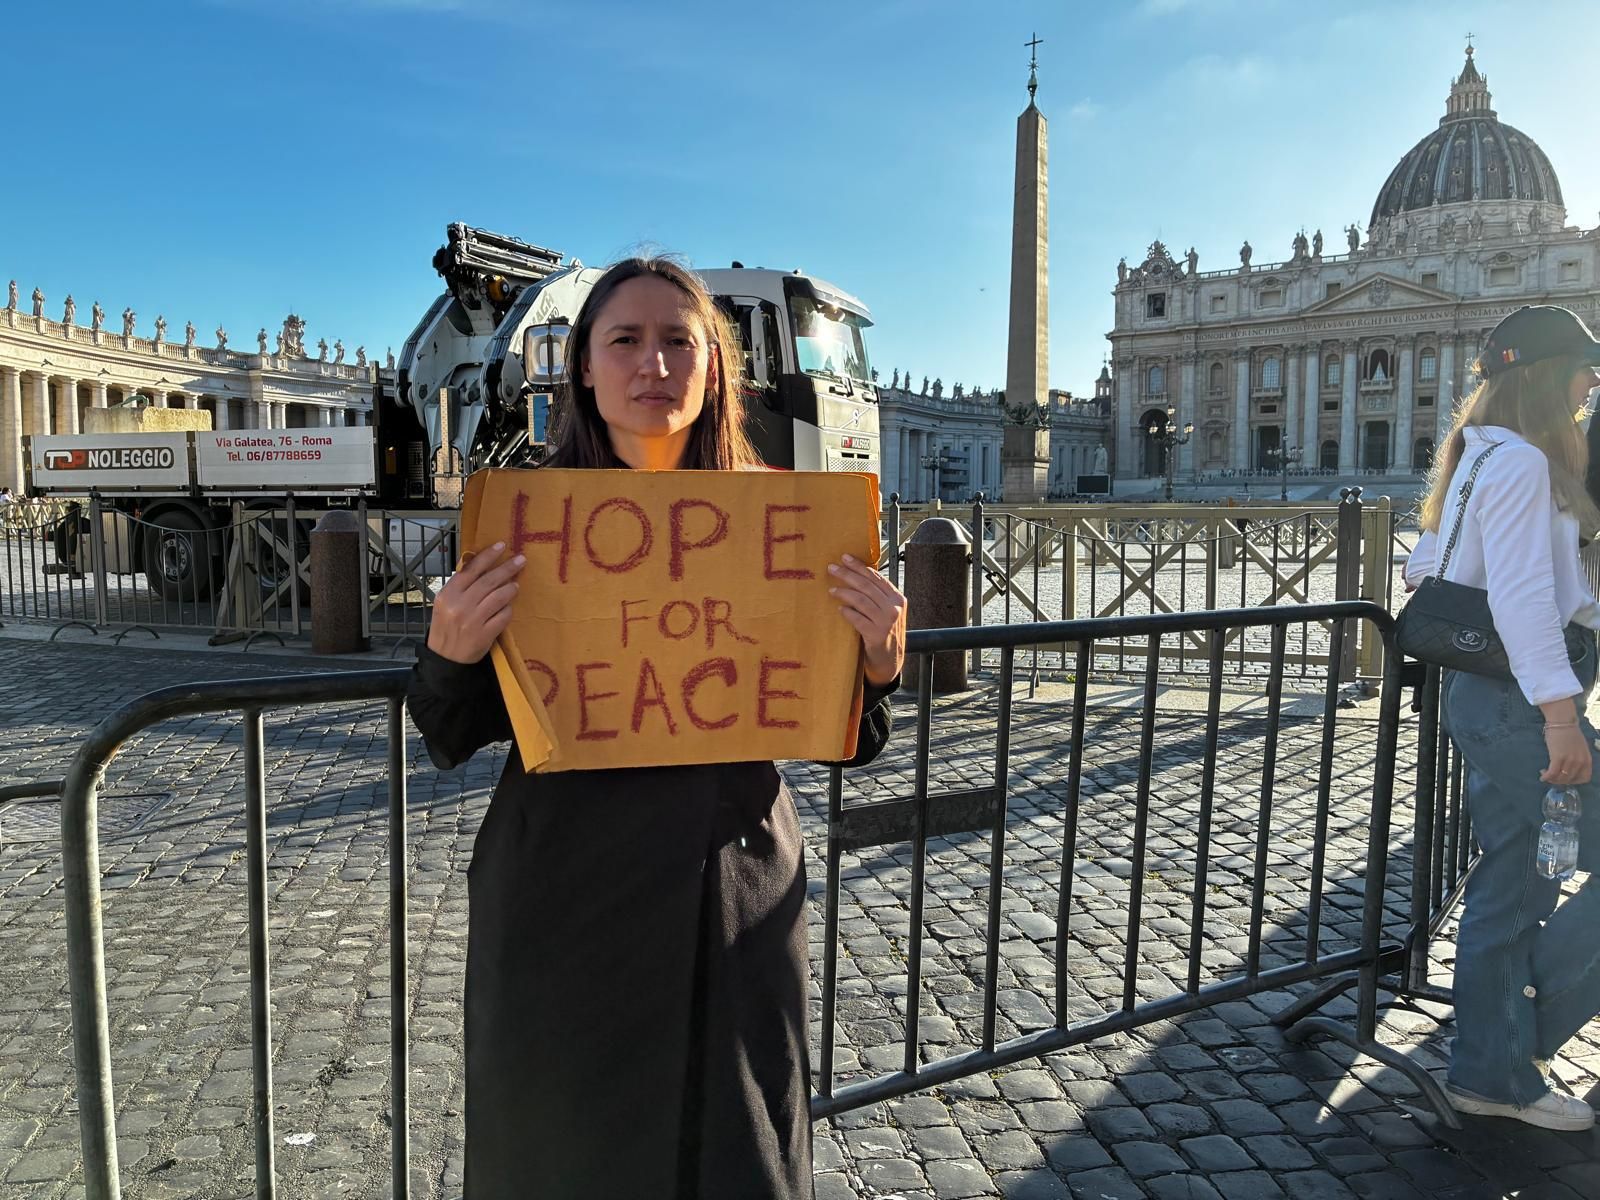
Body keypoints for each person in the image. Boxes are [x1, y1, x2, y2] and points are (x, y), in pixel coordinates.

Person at [406, 256, 908, 1198]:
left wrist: (878, 666)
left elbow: (850, 730)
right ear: (584, 370)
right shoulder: (522, 521)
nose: (654, 364)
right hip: (565, 900)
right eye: (625, 341)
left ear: (715, 367)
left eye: (680, 341)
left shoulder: (792, 518)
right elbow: (448, 725)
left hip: (736, 896)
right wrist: (448, 650)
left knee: (738, 1147)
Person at [1405, 305, 1600, 1130]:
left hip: (1494, 697)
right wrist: (1561, 721)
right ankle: (1512, 1042)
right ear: (1549, 380)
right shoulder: (1522, 464)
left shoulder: (1478, 455)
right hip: (1524, 705)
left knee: (1514, 883)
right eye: (1584, 379)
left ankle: (1490, 1071)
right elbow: (1521, 600)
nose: (1591, 394)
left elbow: (1425, 568)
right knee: (1516, 882)